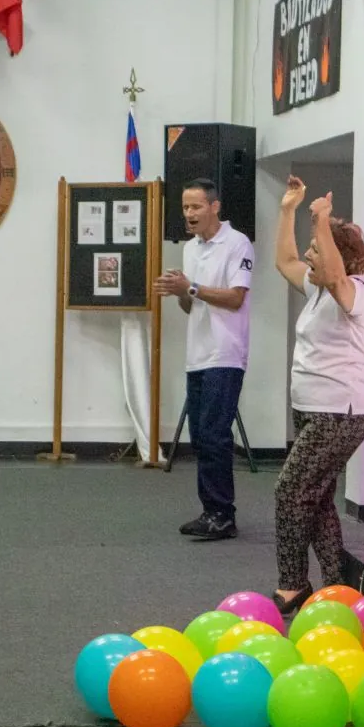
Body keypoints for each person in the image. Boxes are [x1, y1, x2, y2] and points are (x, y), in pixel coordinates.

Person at [270, 175, 364, 614]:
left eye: (318, 248)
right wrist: (289, 210)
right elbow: (284, 260)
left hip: (340, 413)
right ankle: (339, 586)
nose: (310, 256)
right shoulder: (317, 286)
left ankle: (293, 585)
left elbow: (332, 270)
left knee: (289, 490)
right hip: (312, 409)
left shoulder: (357, 292)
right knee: (316, 500)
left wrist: (322, 220)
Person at [154, 178, 253, 541]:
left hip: (225, 353)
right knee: (200, 436)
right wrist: (179, 291)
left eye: (196, 206)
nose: (189, 214)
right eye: (185, 207)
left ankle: (223, 515)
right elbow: (191, 304)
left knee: (214, 435)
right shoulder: (191, 249)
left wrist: (190, 287)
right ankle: (210, 510)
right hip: (197, 353)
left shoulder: (237, 242)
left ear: (215, 207)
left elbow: (235, 298)